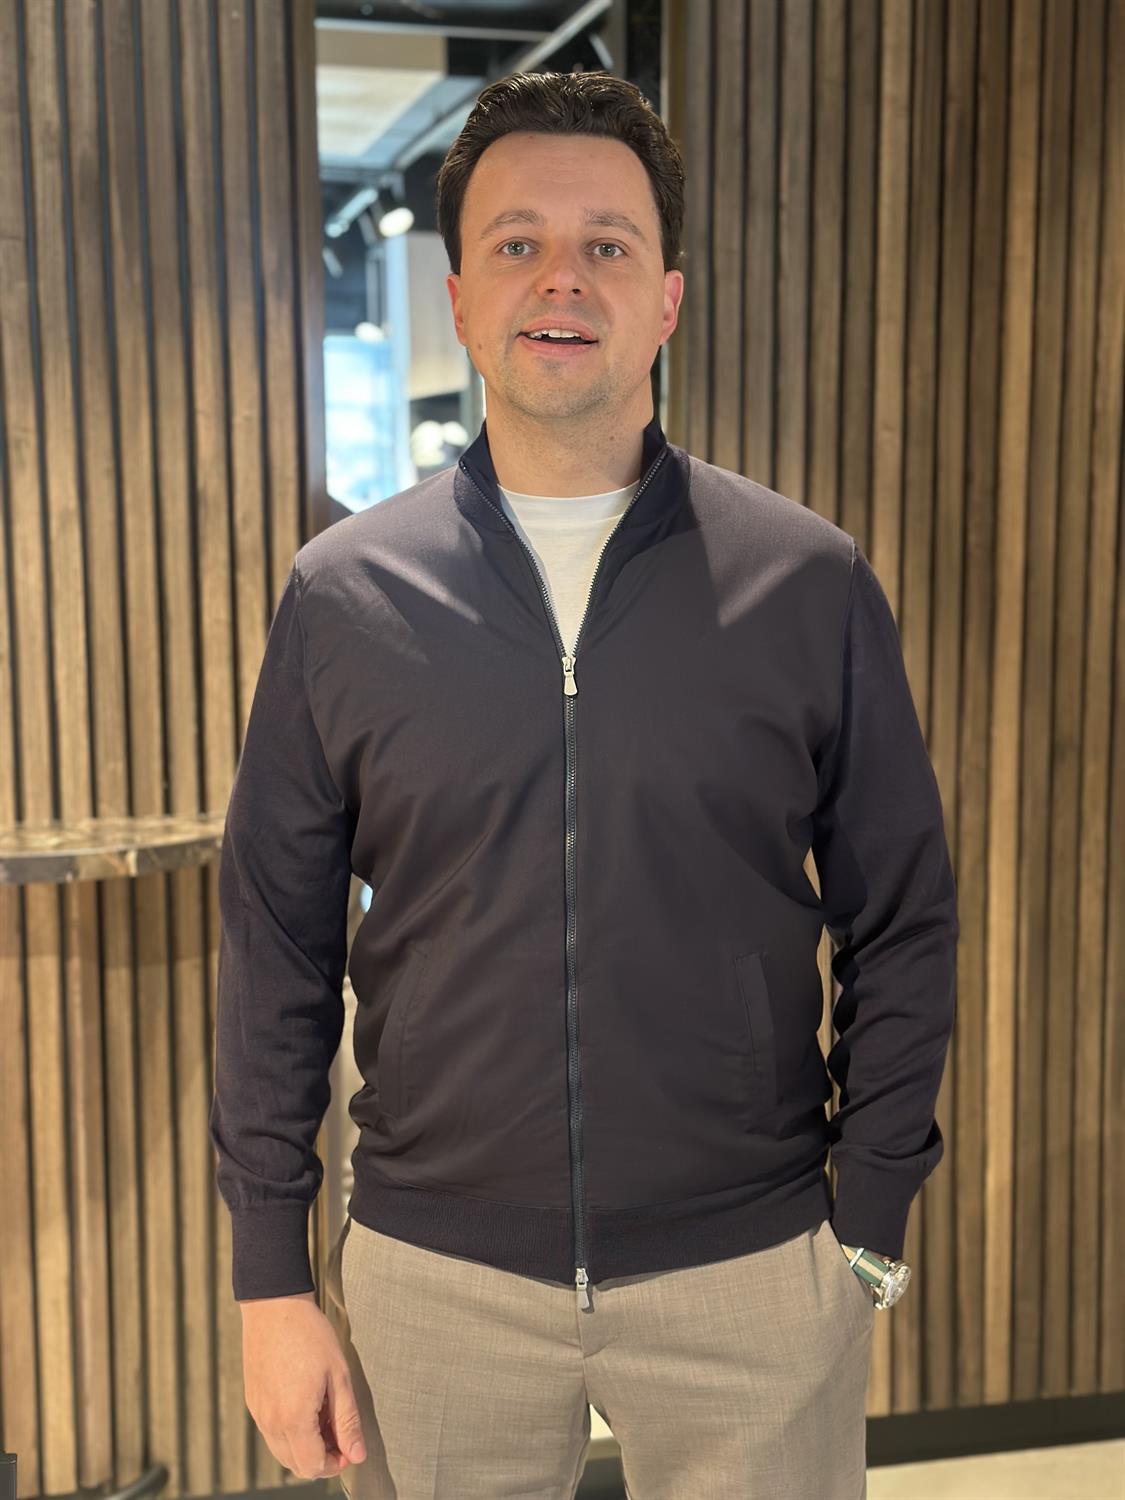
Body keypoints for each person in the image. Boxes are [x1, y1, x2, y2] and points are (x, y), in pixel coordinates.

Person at [210, 69, 958, 1500]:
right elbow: (276, 948)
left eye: (606, 243)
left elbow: (903, 917)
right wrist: (269, 1277)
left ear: (666, 299)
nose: (562, 277)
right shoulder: (343, 598)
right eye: (518, 242)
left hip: (749, 1268)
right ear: (458, 299)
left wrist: (866, 1223)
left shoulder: (805, 581)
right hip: (436, 1278)